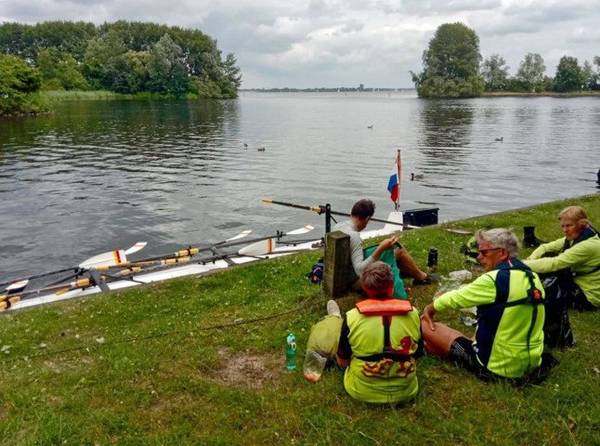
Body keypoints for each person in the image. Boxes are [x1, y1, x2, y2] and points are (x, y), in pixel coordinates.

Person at [421, 228, 550, 382]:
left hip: (498, 369)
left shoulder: (494, 279)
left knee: (426, 326)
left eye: (484, 252)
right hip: (533, 363)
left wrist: (430, 308)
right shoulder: (532, 276)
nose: (479, 257)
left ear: (502, 253)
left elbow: (456, 298)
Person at [336, 261, 422, 404]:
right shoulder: (413, 314)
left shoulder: (352, 317)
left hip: (361, 391)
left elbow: (343, 360)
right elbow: (418, 354)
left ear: (365, 287)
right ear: (391, 286)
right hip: (406, 390)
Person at [333, 198, 436, 298]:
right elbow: (360, 270)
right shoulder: (354, 236)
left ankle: (416, 275)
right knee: (398, 252)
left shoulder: (338, 226)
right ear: (368, 218)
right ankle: (422, 278)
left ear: (352, 212)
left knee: (391, 250)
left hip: (341, 276)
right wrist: (381, 248)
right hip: (354, 282)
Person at [524, 206, 599, 311]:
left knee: (547, 285)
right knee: (548, 255)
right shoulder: (581, 236)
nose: (565, 230)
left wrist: (519, 264)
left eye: (569, 226)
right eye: (562, 226)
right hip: (578, 283)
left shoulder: (587, 245)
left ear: (581, 224)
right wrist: (531, 259)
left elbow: (555, 263)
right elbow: (545, 247)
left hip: (588, 297)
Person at [303, 300, 343, 383]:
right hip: (328, 354)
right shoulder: (341, 324)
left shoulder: (321, 323)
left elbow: (313, 330)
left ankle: (317, 363)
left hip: (312, 348)